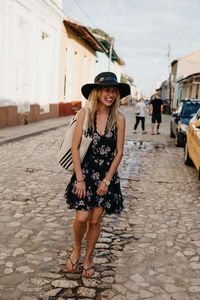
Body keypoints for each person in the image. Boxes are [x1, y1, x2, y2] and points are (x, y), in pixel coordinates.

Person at [64, 72, 130, 277]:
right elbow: (75, 148)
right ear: (98, 92)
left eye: (113, 91)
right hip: (84, 174)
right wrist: (80, 179)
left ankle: (88, 257)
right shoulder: (85, 114)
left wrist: (107, 180)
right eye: (106, 89)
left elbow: (119, 152)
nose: (110, 94)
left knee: (95, 221)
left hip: (106, 176)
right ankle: (76, 248)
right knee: (82, 218)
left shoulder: (119, 118)